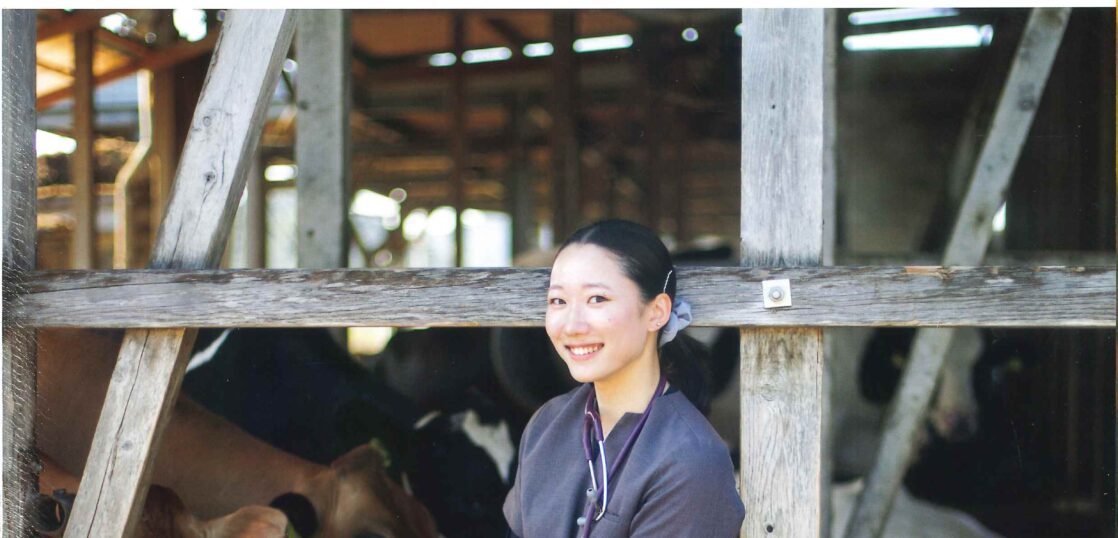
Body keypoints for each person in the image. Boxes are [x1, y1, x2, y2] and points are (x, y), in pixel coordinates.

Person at [503, 219, 744, 537]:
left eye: (597, 299)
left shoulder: (692, 459)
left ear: (657, 311)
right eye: (558, 301)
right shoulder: (546, 425)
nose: (572, 325)